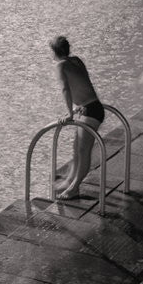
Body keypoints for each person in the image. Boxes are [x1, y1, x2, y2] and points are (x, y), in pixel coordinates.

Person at [50, 35, 104, 200]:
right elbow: (83, 84)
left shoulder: (60, 66)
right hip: (91, 107)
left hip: (89, 111)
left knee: (83, 151)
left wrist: (69, 113)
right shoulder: (76, 60)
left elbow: (65, 89)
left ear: (54, 52)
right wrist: (77, 107)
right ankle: (69, 182)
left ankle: (74, 188)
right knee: (76, 149)